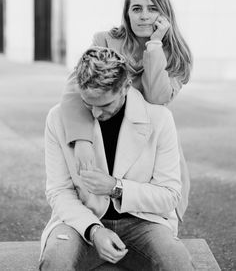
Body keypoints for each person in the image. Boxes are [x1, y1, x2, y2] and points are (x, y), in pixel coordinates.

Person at [39, 47, 194, 271]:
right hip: (80, 221)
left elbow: (169, 196)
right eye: (86, 103)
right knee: (55, 262)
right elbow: (58, 191)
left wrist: (116, 188)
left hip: (144, 221)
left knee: (177, 263)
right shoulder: (56, 118)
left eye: (104, 105)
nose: (94, 113)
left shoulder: (160, 119)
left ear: (126, 87)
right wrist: (94, 230)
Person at [61, 0, 192, 221]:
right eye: (136, 8)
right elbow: (73, 90)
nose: (144, 16)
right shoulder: (105, 42)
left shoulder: (177, 57)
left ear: (165, 15)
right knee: (95, 203)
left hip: (146, 145)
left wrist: (155, 45)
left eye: (152, 9)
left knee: (147, 210)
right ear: (127, 14)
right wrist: (81, 140)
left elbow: (156, 98)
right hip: (104, 133)